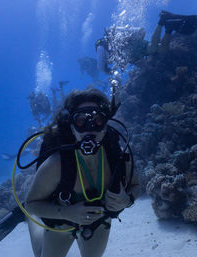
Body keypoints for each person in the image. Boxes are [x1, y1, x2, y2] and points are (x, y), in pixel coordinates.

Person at [25, 88, 140, 257]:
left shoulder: (119, 157)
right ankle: (33, 225)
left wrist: (127, 200)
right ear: (71, 126)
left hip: (98, 221)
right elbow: (31, 204)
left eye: (98, 119)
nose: (89, 128)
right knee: (40, 253)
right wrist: (67, 213)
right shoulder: (56, 164)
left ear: (105, 124)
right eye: (81, 120)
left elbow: (136, 186)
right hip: (62, 221)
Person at [96, 10, 197, 74]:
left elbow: (100, 67)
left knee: (152, 48)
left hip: (131, 45)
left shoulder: (101, 47)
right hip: (134, 43)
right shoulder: (110, 49)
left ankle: (162, 21)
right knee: (163, 50)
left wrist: (108, 72)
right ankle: (169, 28)